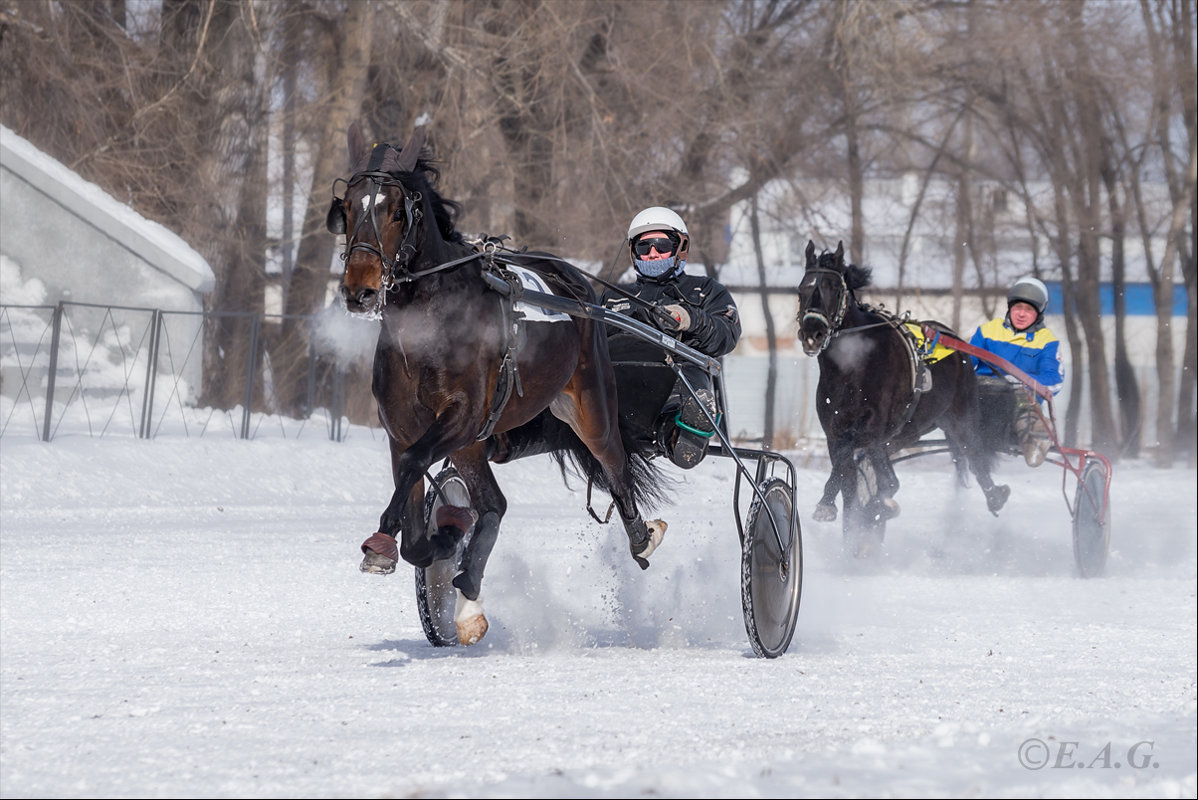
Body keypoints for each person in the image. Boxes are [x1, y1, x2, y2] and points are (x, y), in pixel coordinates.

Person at [600, 207, 741, 469]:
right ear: (634, 252)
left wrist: (691, 319)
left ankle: (681, 433)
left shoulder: (705, 291)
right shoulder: (613, 296)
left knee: (686, 383)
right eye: (644, 247)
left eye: (661, 245)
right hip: (616, 383)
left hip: (675, 376)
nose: (652, 253)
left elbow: (727, 335)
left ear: (679, 248)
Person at [969, 276, 1064, 467]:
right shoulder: (987, 331)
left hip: (1018, 402)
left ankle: (1036, 435)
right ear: (1010, 308)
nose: (1021, 314)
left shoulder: (1047, 341)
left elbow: (1054, 380)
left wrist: (1022, 381)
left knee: (1018, 400)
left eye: (1028, 310)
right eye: (1017, 308)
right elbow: (966, 363)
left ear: (1039, 313)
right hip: (981, 397)